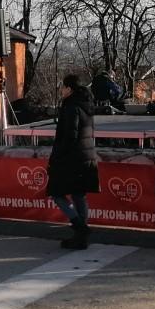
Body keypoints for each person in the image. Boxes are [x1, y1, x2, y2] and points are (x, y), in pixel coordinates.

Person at [45, 74, 101, 250]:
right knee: (79, 195)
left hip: (73, 159)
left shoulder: (71, 107)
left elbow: (69, 136)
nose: (61, 90)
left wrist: (55, 158)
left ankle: (80, 227)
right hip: (87, 157)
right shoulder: (86, 105)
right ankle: (80, 238)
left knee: (56, 192)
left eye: (63, 87)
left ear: (69, 88)